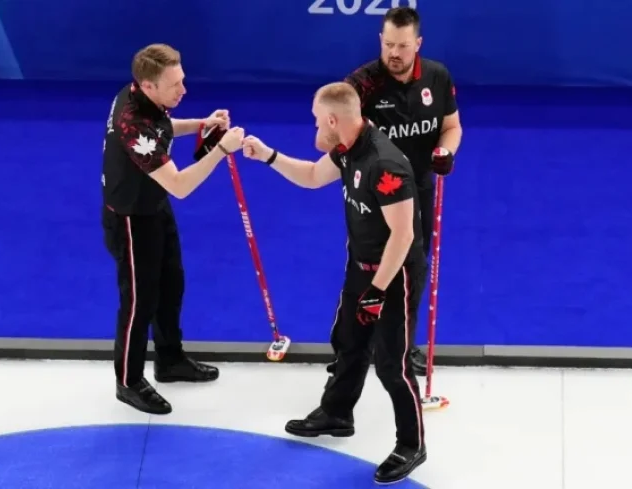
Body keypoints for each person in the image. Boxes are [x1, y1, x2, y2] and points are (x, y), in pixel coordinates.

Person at [241, 82, 428, 485]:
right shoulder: (347, 149)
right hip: (361, 266)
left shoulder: (385, 164)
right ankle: (338, 413)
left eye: (315, 119)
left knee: (392, 365)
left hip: (395, 276)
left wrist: (377, 291)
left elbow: (403, 236)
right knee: (348, 340)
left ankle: (411, 445)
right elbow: (311, 175)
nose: (313, 125)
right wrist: (268, 156)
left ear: (331, 120)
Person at [101, 43, 245, 415]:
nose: (184, 91)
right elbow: (180, 185)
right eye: (174, 86)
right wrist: (221, 150)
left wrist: (202, 124)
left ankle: (169, 359)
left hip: (153, 205)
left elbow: (162, 128)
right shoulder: (134, 122)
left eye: (182, 81)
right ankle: (128, 381)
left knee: (171, 284)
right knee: (139, 301)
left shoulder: (142, 98)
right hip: (131, 219)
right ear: (149, 86)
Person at [327, 6, 463, 377]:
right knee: (361, 269)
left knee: (411, 271)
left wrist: (446, 151)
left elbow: (452, 127)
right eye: (388, 45)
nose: (394, 54)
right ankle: (349, 348)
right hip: (370, 199)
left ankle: (404, 346)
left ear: (417, 43)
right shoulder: (363, 84)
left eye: (402, 46)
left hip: (416, 190)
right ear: (380, 41)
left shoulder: (437, 77)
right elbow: (333, 128)